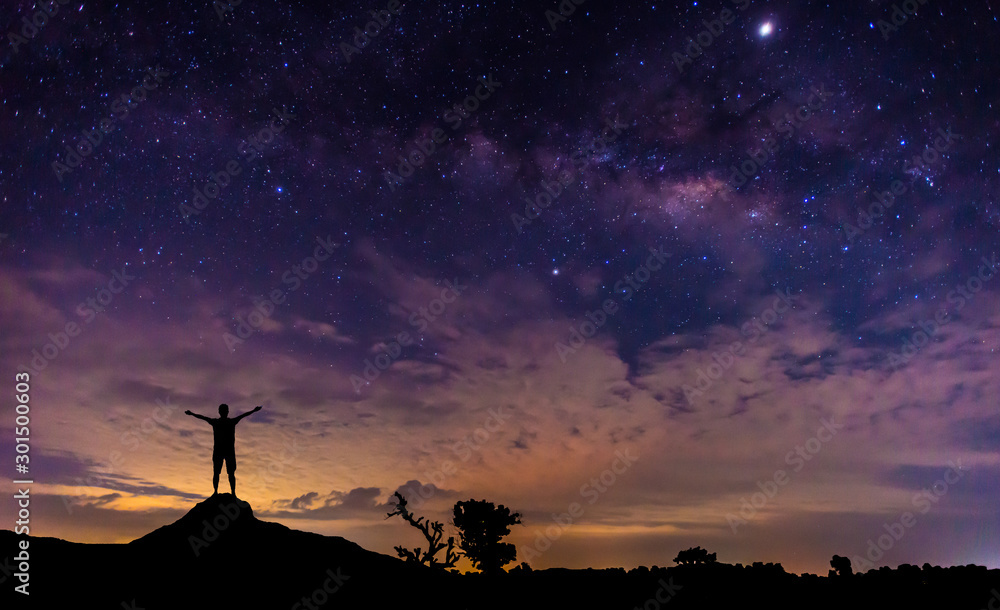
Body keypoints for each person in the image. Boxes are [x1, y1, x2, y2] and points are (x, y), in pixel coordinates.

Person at [185, 404, 262, 496]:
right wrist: (254, 410)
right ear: (225, 412)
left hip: (223, 451)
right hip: (223, 451)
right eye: (224, 410)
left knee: (226, 473)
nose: (224, 412)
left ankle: (227, 492)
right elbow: (203, 417)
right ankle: (220, 492)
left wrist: (192, 413)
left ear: (221, 412)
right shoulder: (227, 422)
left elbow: (203, 417)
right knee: (221, 473)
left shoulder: (221, 422)